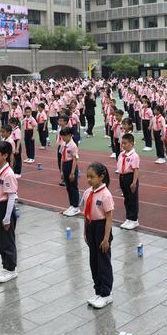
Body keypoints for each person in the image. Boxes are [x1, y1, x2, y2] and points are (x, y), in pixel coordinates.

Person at [82, 162, 114, 309]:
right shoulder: (88, 192)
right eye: (87, 176)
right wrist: (85, 231)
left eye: (92, 177)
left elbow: (109, 218)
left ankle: (106, 294)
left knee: (103, 262)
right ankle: (98, 290)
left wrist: (106, 238)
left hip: (102, 228)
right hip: (91, 227)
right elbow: (85, 213)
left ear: (101, 177)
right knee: (93, 261)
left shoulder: (105, 195)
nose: (89, 180)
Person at [0, 141, 18, 283]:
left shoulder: (8, 174)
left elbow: (12, 196)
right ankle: (6, 265)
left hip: (4, 207)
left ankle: (11, 269)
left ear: (5, 156)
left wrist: (7, 218)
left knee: (7, 240)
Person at [117, 133, 140, 230]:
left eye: (125, 143)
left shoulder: (134, 156)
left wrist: (134, 182)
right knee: (126, 199)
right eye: (122, 143)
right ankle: (128, 218)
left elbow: (135, 170)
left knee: (132, 199)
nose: (123, 145)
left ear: (131, 143)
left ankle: (134, 220)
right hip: (122, 177)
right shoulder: (121, 154)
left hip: (130, 177)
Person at [60, 127, 80, 217]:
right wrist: (61, 171)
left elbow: (75, 159)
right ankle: (71, 205)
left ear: (69, 135)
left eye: (64, 136)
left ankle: (76, 207)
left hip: (71, 165)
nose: (63, 138)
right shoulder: (63, 144)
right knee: (68, 187)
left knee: (73, 187)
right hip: (65, 165)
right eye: (62, 136)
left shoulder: (73, 145)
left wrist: (72, 172)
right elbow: (61, 157)